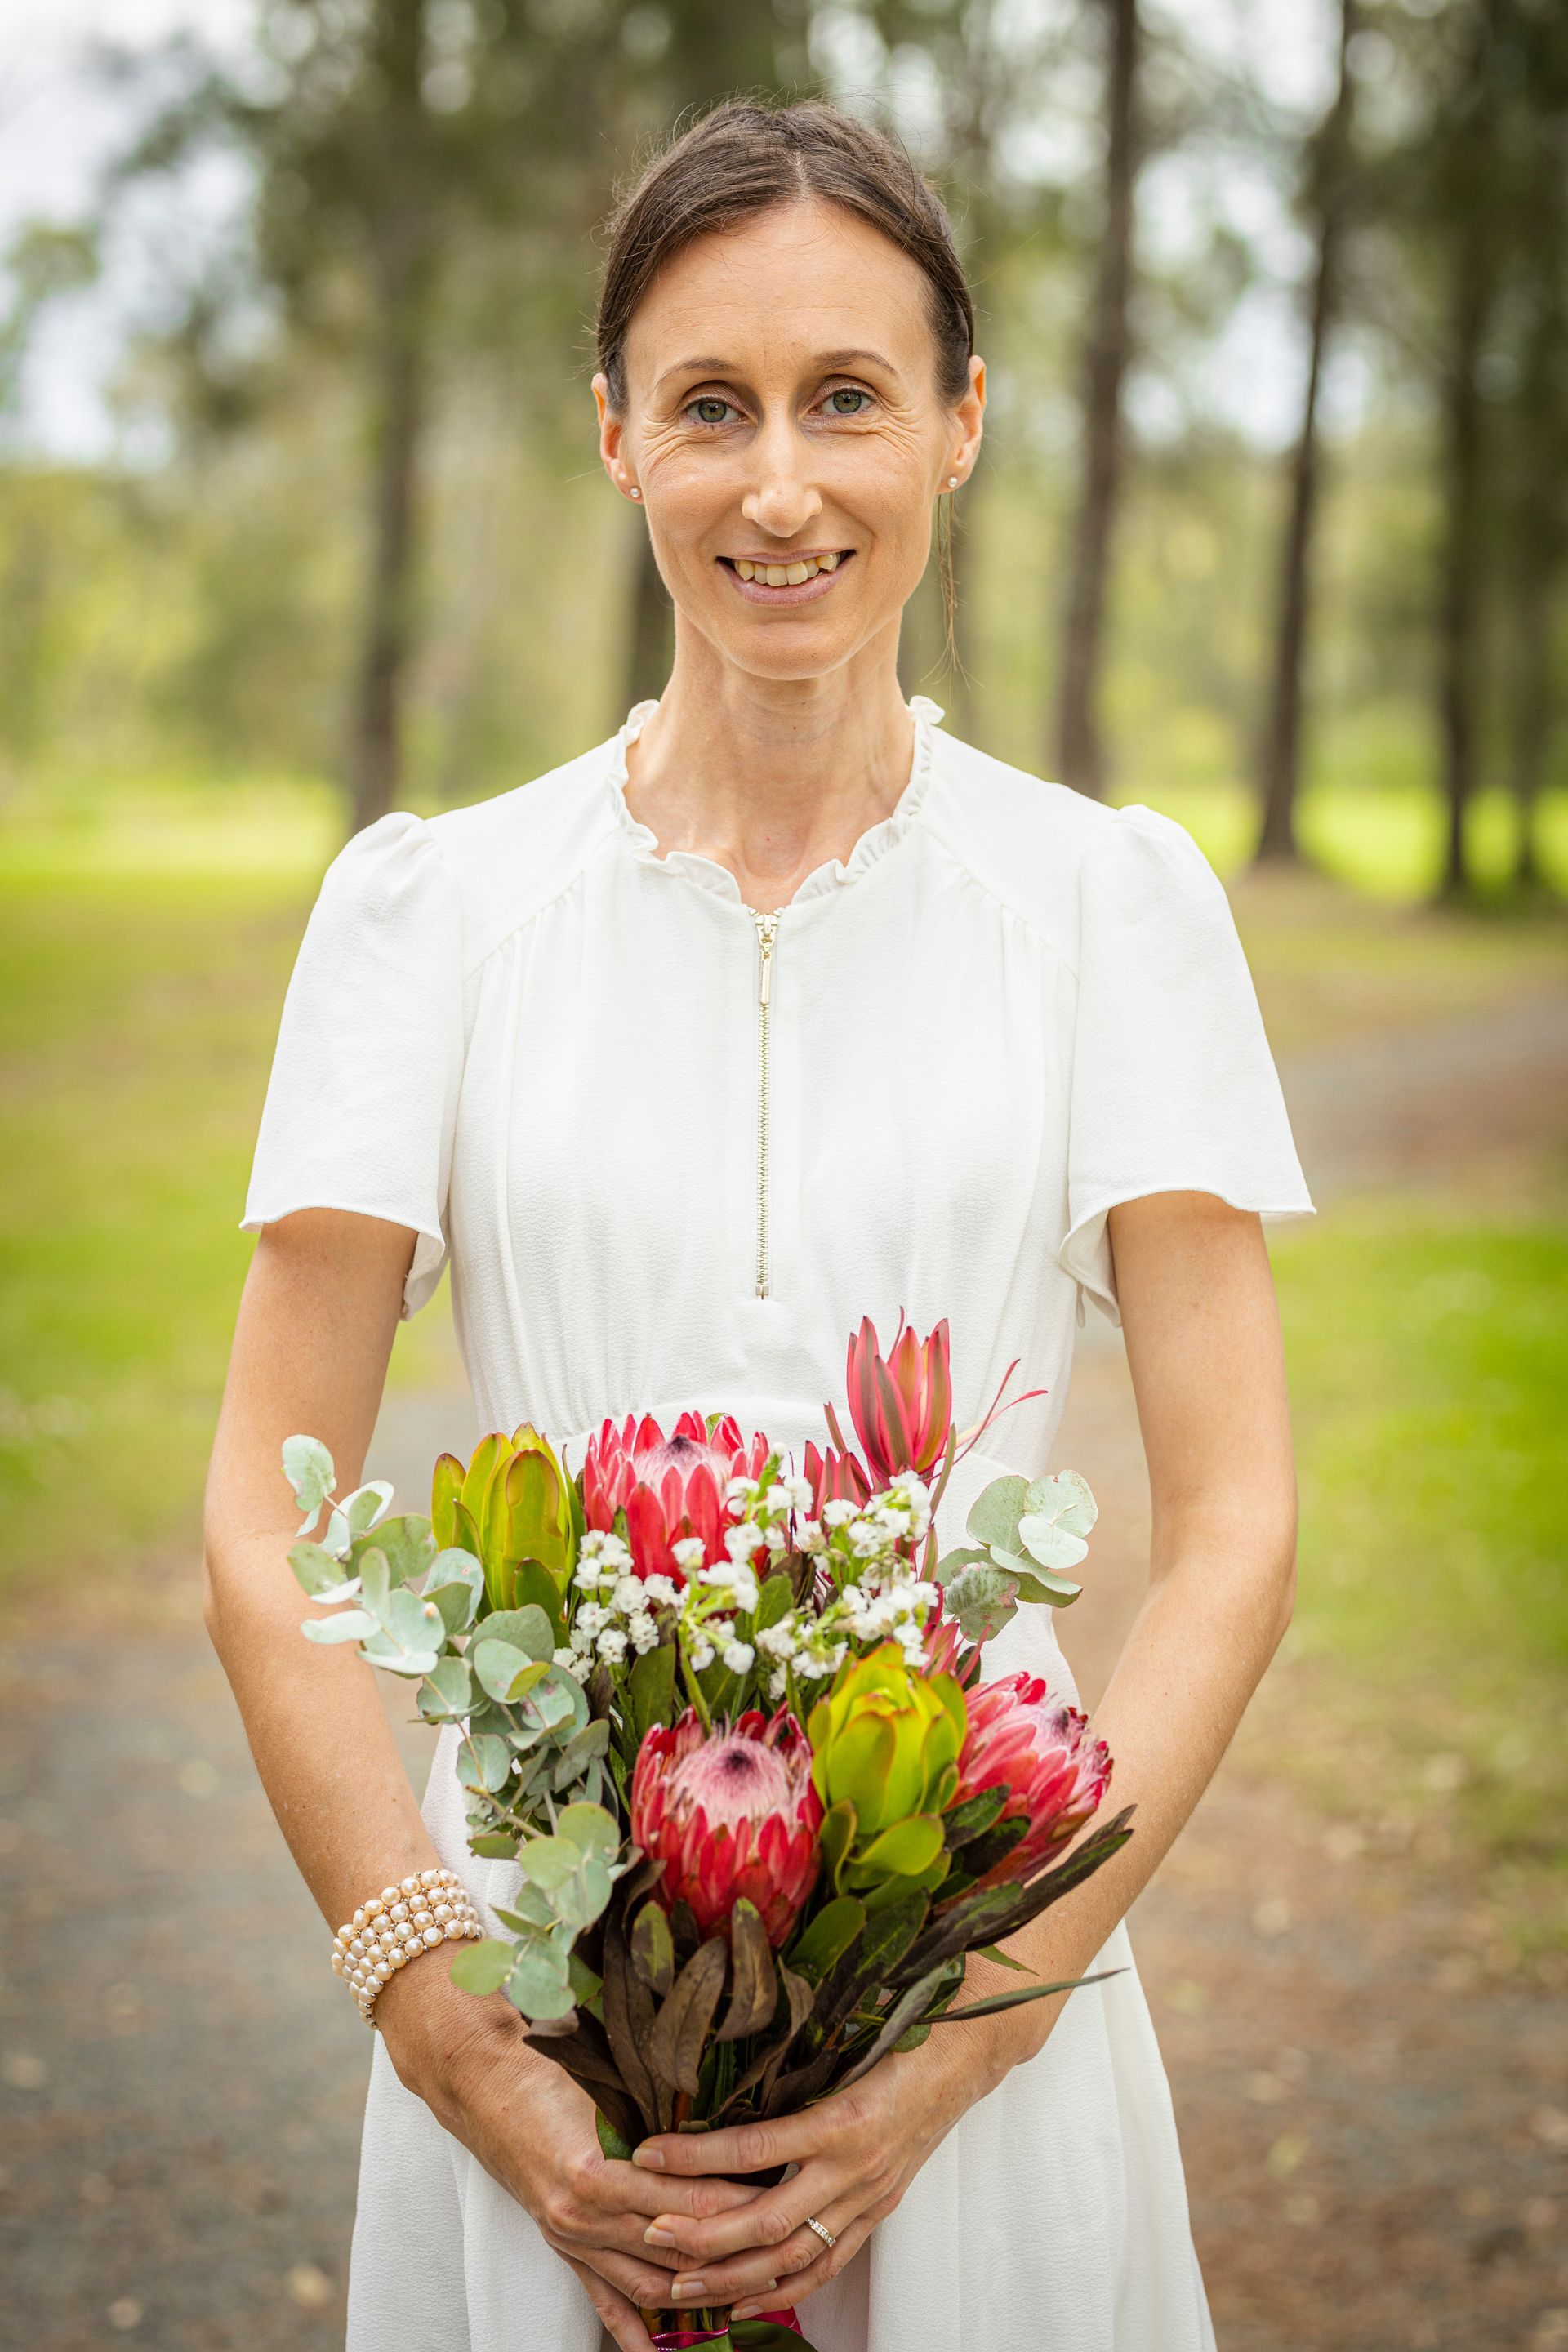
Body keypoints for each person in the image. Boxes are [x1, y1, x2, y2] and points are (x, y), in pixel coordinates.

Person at [207, 96, 1313, 2352]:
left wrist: (965, 2043)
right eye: (709, 406)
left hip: (978, 1981)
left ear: (963, 426)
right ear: (616, 437)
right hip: (541, 1987)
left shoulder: (1112, 908)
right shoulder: (435, 910)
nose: (781, 485)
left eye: (849, 401)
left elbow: (1238, 1527)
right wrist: (455, 2040)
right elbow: (258, 1515)